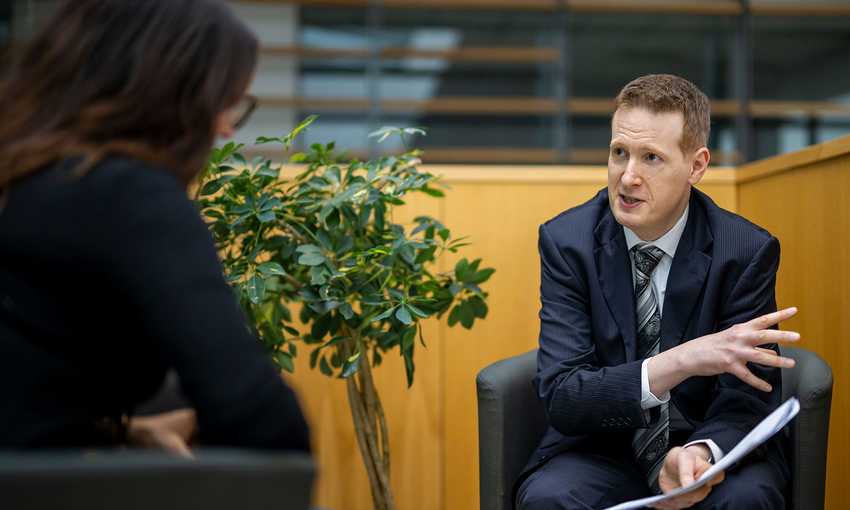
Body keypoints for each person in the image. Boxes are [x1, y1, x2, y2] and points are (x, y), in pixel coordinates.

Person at [0, 0, 309, 454]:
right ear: (172, 96)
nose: (225, 129)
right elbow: (261, 419)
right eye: (224, 103)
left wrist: (124, 432)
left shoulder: (25, 178)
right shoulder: (128, 196)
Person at [516, 74, 797, 509]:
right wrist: (682, 360)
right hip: (602, 444)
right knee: (549, 497)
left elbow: (747, 395)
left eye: (651, 158)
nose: (628, 177)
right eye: (619, 153)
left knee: (748, 498)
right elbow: (565, 395)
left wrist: (701, 453)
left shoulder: (744, 251)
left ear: (696, 166)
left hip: (703, 437)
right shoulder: (568, 242)